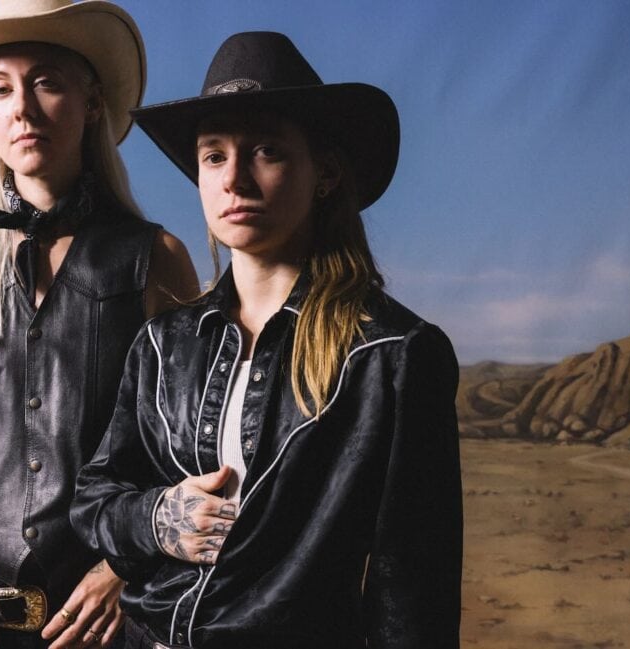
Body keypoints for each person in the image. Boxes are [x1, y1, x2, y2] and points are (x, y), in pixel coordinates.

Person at [70, 32, 463, 649]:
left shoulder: (395, 355)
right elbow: (95, 500)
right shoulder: (163, 344)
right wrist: (158, 518)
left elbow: (414, 591)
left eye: (267, 151)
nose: (235, 179)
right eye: (214, 156)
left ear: (324, 172)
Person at [0, 2, 198, 648]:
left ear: (92, 103)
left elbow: (183, 451)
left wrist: (122, 568)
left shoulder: (156, 260)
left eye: (47, 82)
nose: (23, 109)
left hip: (99, 627)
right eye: (2, 90)